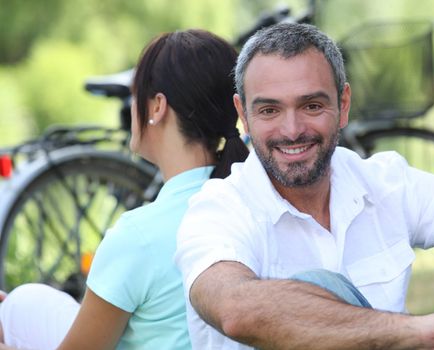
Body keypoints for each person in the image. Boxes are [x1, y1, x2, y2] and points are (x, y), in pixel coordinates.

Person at [174, 22, 434, 349]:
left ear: (343, 106)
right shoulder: (217, 209)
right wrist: (416, 331)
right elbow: (235, 308)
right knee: (319, 290)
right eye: (269, 111)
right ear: (243, 114)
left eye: (312, 105)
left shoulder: (386, 180)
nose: (292, 130)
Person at [0, 29, 249, 349]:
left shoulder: (138, 236)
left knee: (19, 307)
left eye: (135, 96)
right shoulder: (253, 201)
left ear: (158, 107)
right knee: (28, 303)